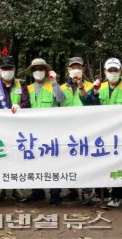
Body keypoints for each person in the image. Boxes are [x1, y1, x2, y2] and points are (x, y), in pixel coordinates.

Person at [0, 56, 30, 202]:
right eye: (4, 69)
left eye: (10, 68)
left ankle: (18, 189)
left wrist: (20, 106)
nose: (7, 71)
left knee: (17, 157)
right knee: (0, 158)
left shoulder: (21, 85)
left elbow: (26, 102)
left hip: (18, 128)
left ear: (14, 70)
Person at [24, 58, 66, 205]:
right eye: (35, 69)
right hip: (32, 133)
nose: (38, 72)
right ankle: (37, 192)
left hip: (51, 131)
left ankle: (55, 193)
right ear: (32, 72)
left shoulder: (53, 85)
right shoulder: (27, 88)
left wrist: (54, 82)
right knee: (34, 162)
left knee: (53, 163)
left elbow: (61, 99)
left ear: (47, 71)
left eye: (41, 69)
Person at [58, 57, 94, 204]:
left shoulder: (91, 86)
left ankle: (87, 193)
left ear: (83, 68)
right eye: (72, 67)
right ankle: (72, 191)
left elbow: (93, 104)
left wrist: (81, 87)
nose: (75, 70)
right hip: (66, 129)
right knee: (68, 160)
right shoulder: (61, 88)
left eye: (78, 67)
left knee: (86, 160)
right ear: (68, 70)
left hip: (85, 128)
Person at [88, 57, 122, 207]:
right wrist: (94, 92)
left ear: (120, 71)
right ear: (105, 72)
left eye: (115, 70)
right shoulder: (99, 87)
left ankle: (117, 194)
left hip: (120, 133)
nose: (113, 73)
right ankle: (101, 192)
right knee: (101, 160)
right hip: (101, 132)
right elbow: (89, 104)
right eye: (110, 70)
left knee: (119, 163)